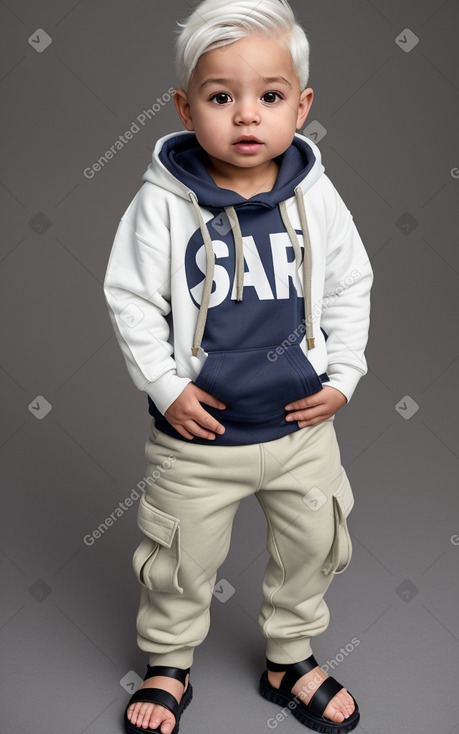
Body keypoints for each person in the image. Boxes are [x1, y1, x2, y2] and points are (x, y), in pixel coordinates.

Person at [103, 1, 373, 732]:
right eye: (222, 98)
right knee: (179, 558)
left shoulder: (315, 196)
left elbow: (350, 282)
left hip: (298, 429)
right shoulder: (161, 205)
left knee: (314, 544)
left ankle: (290, 654)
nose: (246, 116)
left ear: (302, 105)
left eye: (270, 96)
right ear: (186, 109)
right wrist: (166, 386)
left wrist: (342, 376)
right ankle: (168, 664)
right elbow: (129, 299)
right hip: (198, 436)